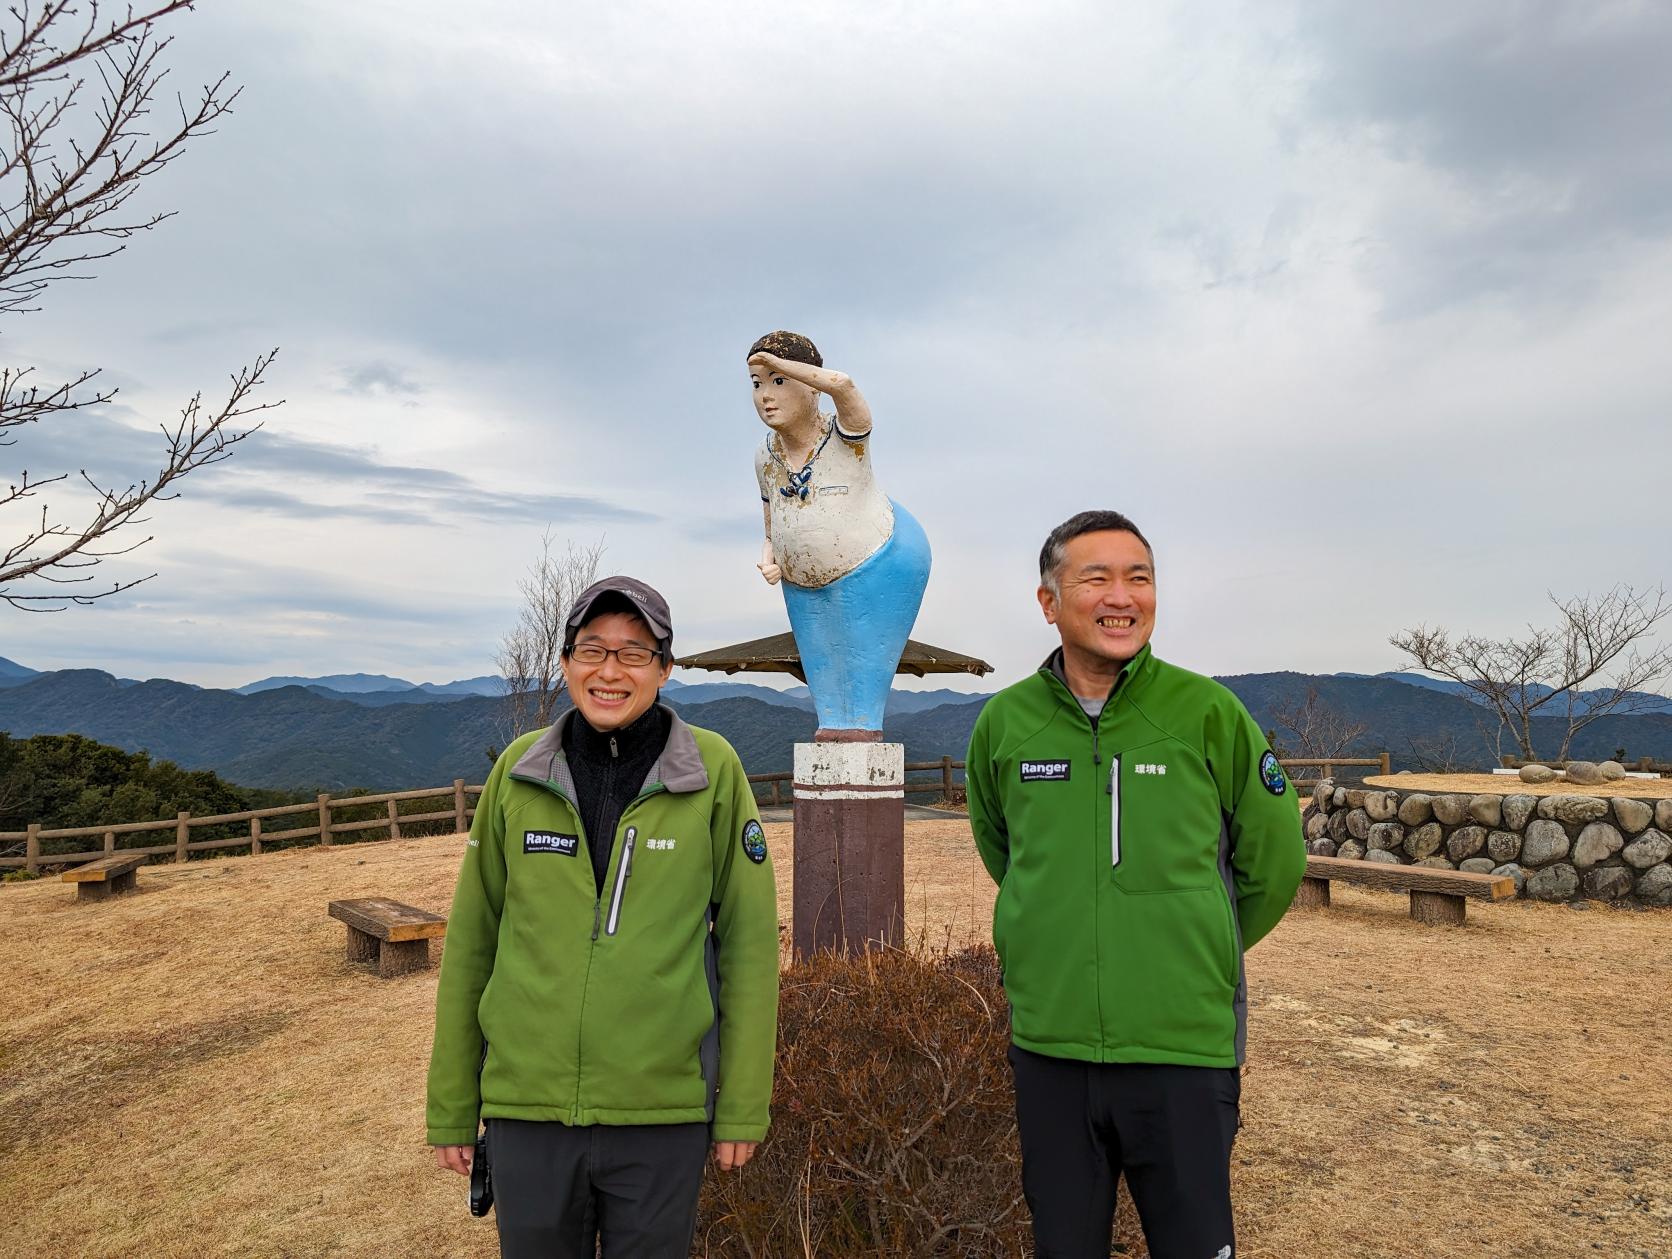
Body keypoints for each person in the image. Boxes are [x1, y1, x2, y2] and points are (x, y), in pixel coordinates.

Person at [964, 510, 1305, 1259]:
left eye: (1139, 577)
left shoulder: (1207, 712)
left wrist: (1192, 935)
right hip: (1049, 1047)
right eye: (1097, 578)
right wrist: (1067, 921)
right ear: (1049, 602)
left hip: (1182, 1048)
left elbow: (1274, 860)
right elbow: (1007, 854)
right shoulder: (1004, 725)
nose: (1123, 596)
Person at [426, 576, 780, 1259]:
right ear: (564, 663)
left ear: (665, 668)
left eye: (634, 653)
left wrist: (741, 1103)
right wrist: (450, 1103)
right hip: (526, 1110)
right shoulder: (517, 773)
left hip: (662, 1111)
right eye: (593, 650)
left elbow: (749, 949)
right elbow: (472, 943)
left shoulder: (711, 772)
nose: (609, 671)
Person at [748, 330, 931, 736]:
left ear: (810, 385)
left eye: (779, 381)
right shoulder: (765, 455)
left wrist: (781, 362)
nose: (766, 395)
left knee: (863, 688)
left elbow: (844, 385)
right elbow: (770, 520)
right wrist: (769, 557)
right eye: (757, 383)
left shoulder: (845, 435)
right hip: (799, 582)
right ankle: (831, 740)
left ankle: (865, 744)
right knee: (827, 694)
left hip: (876, 562)